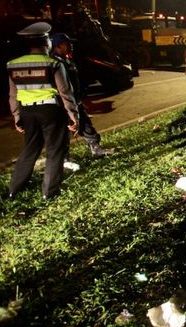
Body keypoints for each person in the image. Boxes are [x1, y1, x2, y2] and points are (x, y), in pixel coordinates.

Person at [7, 22, 79, 200]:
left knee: (30, 149)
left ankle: (13, 189)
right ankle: (49, 192)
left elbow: (13, 94)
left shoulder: (13, 65)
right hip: (50, 110)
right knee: (55, 150)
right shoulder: (52, 63)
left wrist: (17, 117)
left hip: (27, 112)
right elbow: (65, 92)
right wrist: (73, 115)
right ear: (46, 43)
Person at [49, 33, 112, 158]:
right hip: (62, 102)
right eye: (67, 43)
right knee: (63, 130)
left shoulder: (66, 60)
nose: (70, 46)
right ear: (58, 46)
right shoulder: (54, 62)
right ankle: (63, 157)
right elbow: (62, 88)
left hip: (74, 99)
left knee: (85, 124)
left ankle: (95, 148)